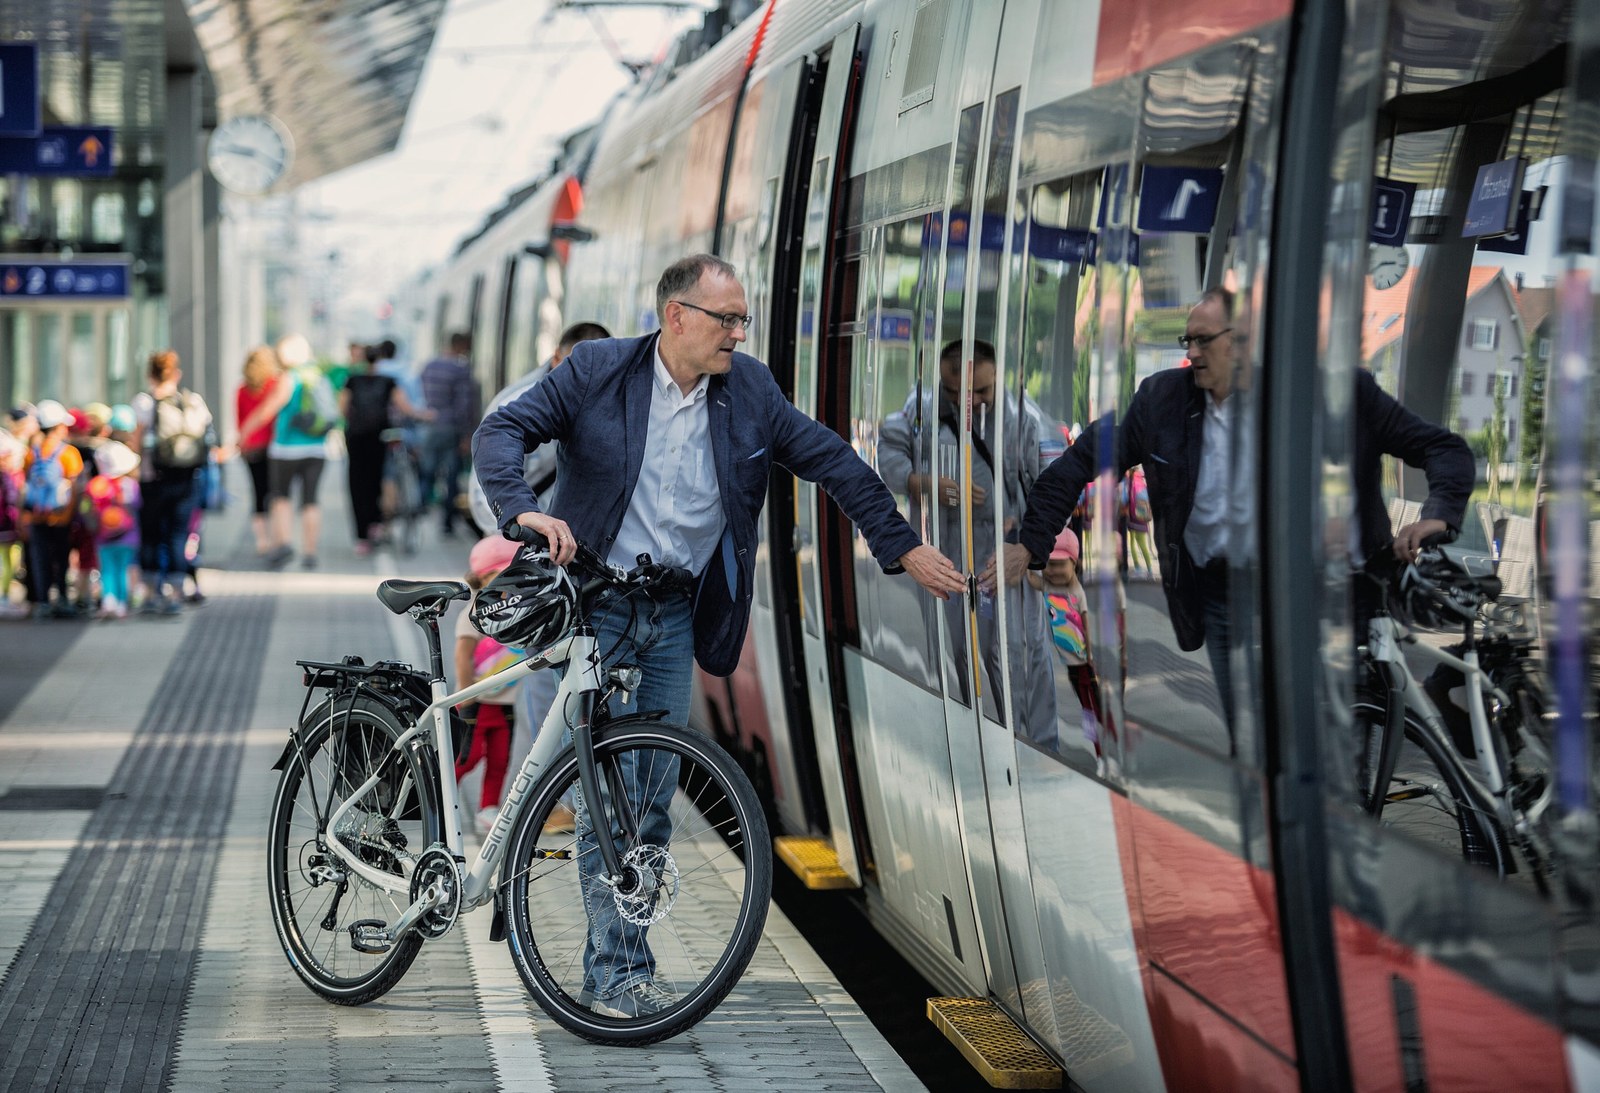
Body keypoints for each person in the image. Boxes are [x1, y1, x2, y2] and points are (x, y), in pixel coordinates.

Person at [474, 253, 965, 1018]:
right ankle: (618, 974)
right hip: (597, 604)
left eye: (743, 319)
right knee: (608, 793)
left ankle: (619, 967)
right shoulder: (599, 370)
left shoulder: (750, 390)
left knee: (653, 798)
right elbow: (504, 429)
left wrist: (898, 542)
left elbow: (831, 458)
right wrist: (522, 512)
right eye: (726, 319)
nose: (739, 332)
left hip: (671, 612)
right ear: (677, 317)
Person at [985, 286, 1474, 724]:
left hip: (1325, 596)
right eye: (1187, 341)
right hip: (1224, 596)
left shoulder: (1335, 393)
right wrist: (1030, 546)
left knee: (1335, 737)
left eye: (1204, 341)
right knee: (1252, 742)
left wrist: (1437, 515)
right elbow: (1076, 464)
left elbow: (1442, 448)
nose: (1192, 353)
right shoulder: (1162, 403)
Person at [467, 321, 613, 541]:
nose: (584, 380)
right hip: (523, 539)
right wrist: (514, 531)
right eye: (574, 368)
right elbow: (483, 490)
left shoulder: (612, 401)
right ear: (556, 358)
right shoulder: (518, 403)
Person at [237, 333, 331, 569]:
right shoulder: (319, 377)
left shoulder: (290, 378)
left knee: (281, 498)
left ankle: (284, 544)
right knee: (311, 500)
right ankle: (310, 552)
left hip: (286, 449)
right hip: (317, 449)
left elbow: (268, 410)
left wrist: (245, 430)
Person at [132, 350, 213, 614]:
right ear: (176, 374)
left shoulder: (144, 402)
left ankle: (151, 594)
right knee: (178, 535)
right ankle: (176, 594)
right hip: (188, 477)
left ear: (149, 375)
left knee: (151, 536)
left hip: (153, 478)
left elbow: (136, 442)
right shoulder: (194, 401)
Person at [454, 535, 524, 834]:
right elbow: (462, 656)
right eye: (502, 575)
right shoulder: (472, 616)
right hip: (477, 703)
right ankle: (440, 799)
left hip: (506, 704)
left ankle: (488, 809)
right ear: (483, 579)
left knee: (499, 760)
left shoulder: (517, 614)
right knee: (467, 758)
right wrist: (466, 695)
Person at [342, 342, 431, 554]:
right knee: (376, 482)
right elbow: (406, 408)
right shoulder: (389, 381)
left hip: (356, 439)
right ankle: (376, 526)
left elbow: (343, 409)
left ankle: (361, 536)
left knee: (356, 485)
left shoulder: (352, 380)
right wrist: (425, 416)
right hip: (379, 438)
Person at [21, 400, 85, 618]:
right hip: (61, 516)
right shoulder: (69, 453)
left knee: (40, 560)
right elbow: (75, 487)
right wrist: (72, 512)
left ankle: (43, 602)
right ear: (58, 426)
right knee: (61, 558)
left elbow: (27, 484)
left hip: (36, 515)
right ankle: (64, 600)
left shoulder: (32, 453)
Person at [419, 331, 479, 536]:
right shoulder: (461, 370)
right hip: (451, 428)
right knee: (451, 475)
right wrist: (466, 434)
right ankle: (447, 523)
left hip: (430, 425)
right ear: (462, 346)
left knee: (428, 470)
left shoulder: (430, 365)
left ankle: (419, 509)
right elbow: (464, 406)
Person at [235, 345, 283, 557]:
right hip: (273, 447)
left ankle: (261, 540)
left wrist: (242, 442)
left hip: (251, 448)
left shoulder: (242, 390)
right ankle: (275, 538)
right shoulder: (275, 385)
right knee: (274, 493)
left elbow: (240, 420)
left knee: (257, 493)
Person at [86, 440, 141, 619]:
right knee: (123, 570)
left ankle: (108, 599)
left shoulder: (96, 485)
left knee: (107, 570)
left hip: (103, 537)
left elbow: (87, 509)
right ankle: (121, 604)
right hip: (128, 537)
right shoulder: (130, 484)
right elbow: (136, 506)